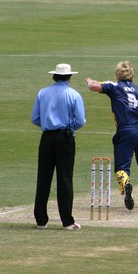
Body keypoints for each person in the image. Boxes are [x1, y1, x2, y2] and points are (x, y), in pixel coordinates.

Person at [86, 61, 138, 209]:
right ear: (132, 75)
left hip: (126, 130)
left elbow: (94, 87)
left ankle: (126, 185)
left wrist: (90, 82)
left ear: (117, 75)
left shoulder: (114, 86)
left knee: (122, 167)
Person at [32, 63, 87, 231]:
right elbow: (80, 121)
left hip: (47, 137)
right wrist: (69, 128)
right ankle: (67, 221)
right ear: (69, 77)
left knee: (43, 178)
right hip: (65, 137)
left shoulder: (43, 93)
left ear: (54, 76)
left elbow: (35, 118)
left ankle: (41, 220)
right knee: (64, 178)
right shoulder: (73, 95)